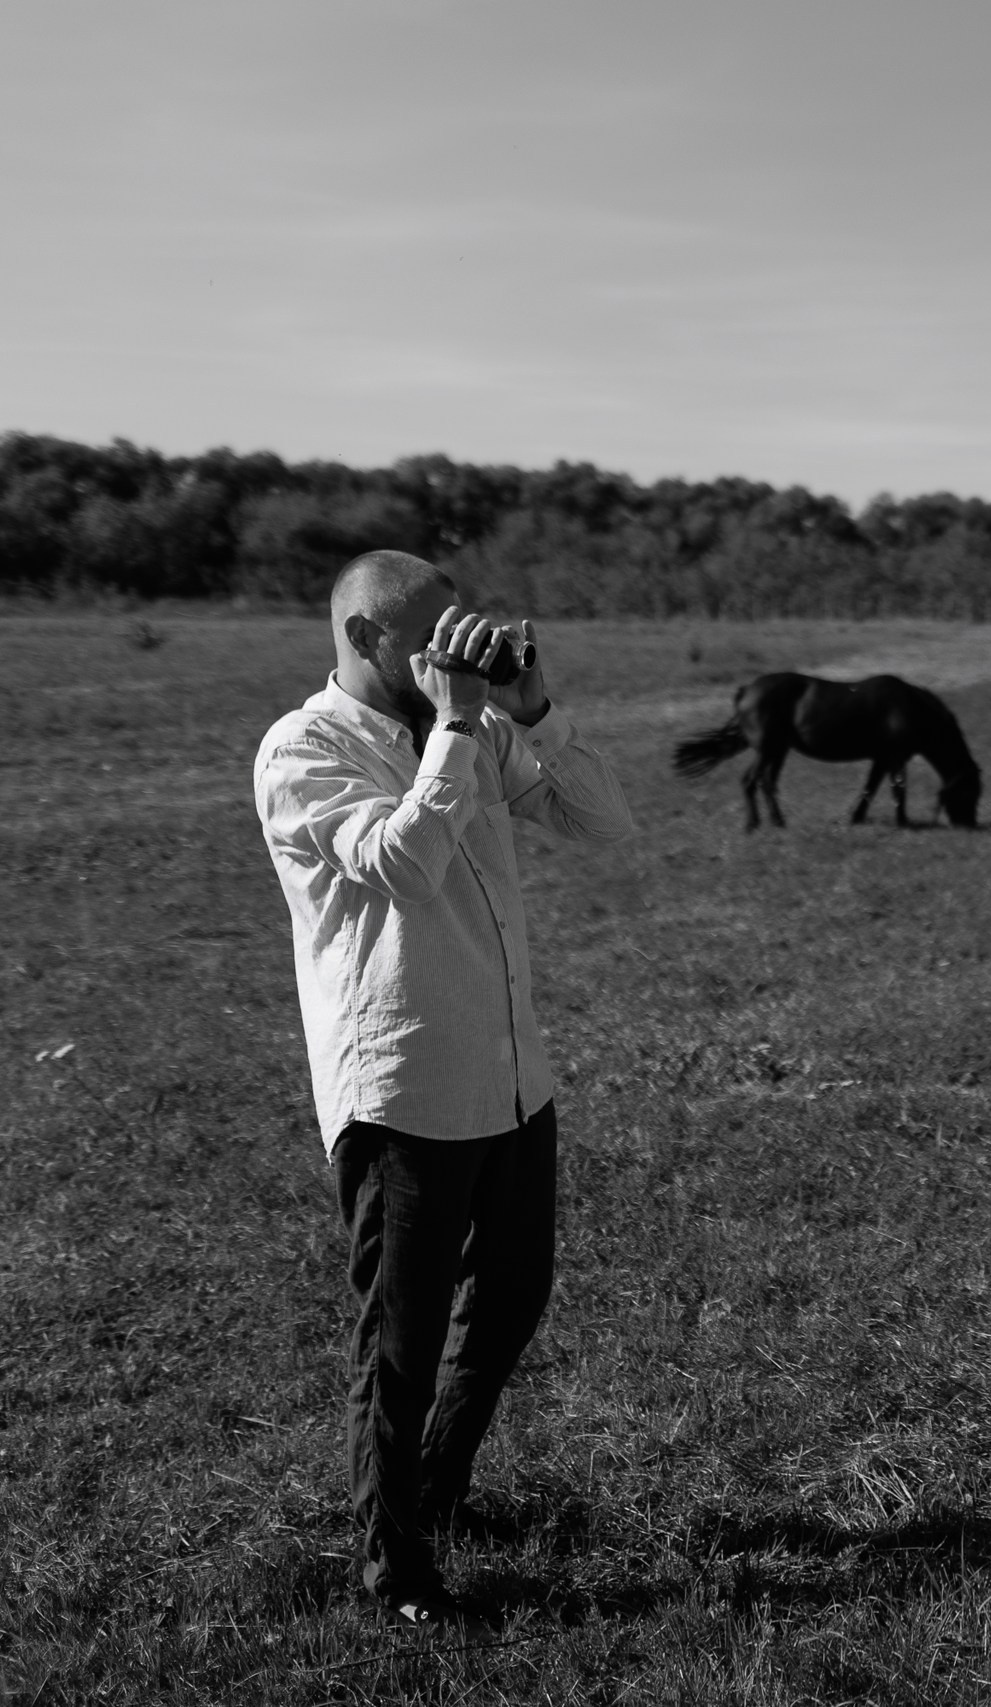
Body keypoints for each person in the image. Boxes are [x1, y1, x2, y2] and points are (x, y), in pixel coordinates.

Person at [252, 550, 633, 1631]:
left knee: (510, 1300)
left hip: (511, 1074)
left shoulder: (461, 723)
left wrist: (532, 708)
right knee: (402, 1335)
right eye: (427, 638)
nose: (447, 654)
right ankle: (395, 1560)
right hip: (404, 1081)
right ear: (368, 639)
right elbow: (402, 865)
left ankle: (431, 1489)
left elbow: (605, 823)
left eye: (457, 634)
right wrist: (461, 725)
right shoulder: (304, 747)